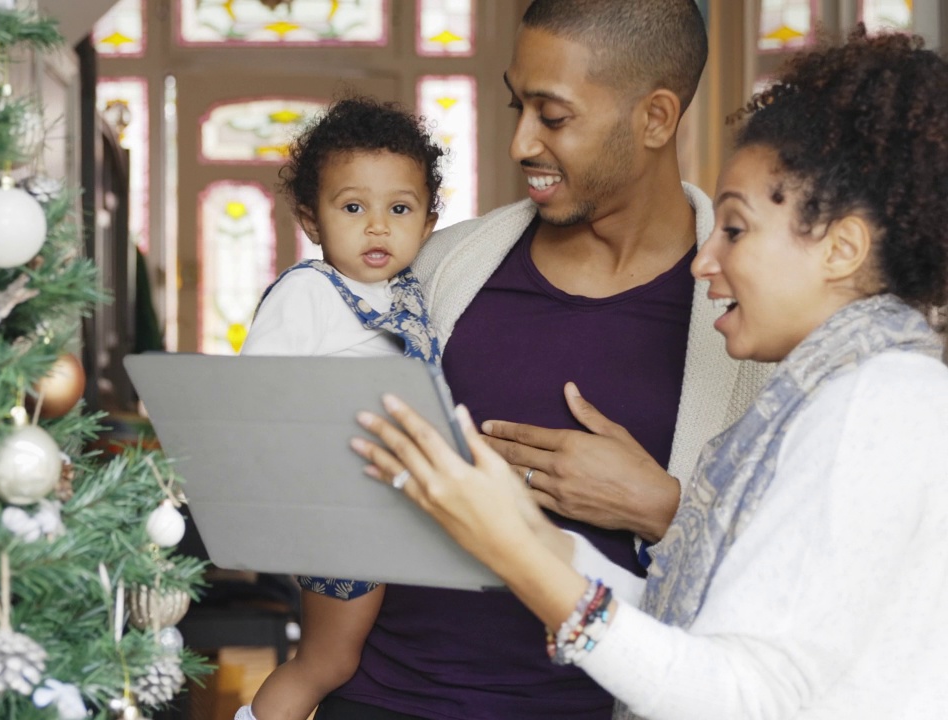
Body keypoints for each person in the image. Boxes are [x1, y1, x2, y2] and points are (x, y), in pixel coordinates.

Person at [354, 28, 948, 720]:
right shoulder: (845, 393)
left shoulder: (879, 403)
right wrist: (533, 531)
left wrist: (518, 553)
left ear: (842, 249)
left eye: (735, 229)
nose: (705, 261)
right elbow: (693, 621)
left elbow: (740, 695)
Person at [319, 2, 770, 718]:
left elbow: (796, 581)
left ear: (655, 118)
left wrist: (665, 511)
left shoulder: (752, 320)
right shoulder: (437, 270)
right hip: (382, 700)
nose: (520, 142)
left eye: (552, 116)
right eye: (515, 105)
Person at [235, 96, 445, 720]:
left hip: (386, 512)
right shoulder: (310, 292)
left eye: (399, 209)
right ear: (311, 219)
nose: (377, 227)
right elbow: (257, 395)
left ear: (428, 224)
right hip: (339, 514)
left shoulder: (407, 292)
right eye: (353, 207)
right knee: (328, 663)